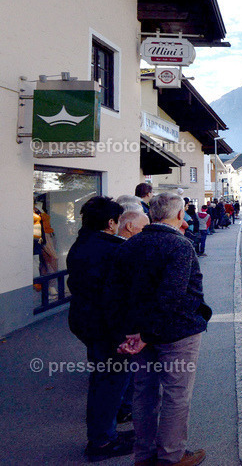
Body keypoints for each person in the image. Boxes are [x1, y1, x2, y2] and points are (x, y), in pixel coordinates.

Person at [108, 192, 210, 466]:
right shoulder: (179, 246)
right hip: (177, 334)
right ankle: (171, 456)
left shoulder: (129, 245)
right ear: (179, 215)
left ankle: (144, 455)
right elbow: (172, 296)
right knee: (176, 395)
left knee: (144, 394)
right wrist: (146, 335)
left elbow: (115, 296)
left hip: (139, 334)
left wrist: (130, 335)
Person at [66, 197, 135, 462]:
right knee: (108, 383)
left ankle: (107, 432)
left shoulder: (81, 244)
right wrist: (123, 335)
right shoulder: (110, 249)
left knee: (105, 380)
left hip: (86, 323)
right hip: (105, 327)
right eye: (118, 221)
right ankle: (102, 441)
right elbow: (113, 297)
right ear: (110, 223)